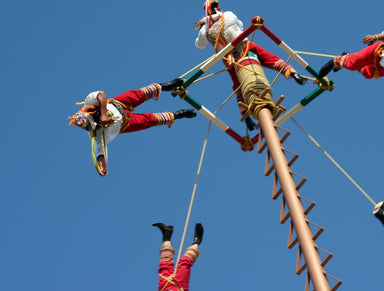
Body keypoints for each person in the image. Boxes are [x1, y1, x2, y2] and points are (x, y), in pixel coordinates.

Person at [194, 0, 306, 129]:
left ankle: (245, 114)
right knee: (269, 58)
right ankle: (293, 74)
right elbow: (239, 25)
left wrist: (204, 24)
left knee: (238, 84)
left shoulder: (206, 30)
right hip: (242, 47)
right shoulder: (228, 15)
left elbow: (199, 45)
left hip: (229, 57)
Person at [69, 79, 197, 176]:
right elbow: (100, 151)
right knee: (149, 120)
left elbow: (101, 94)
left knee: (138, 94)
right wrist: (101, 166)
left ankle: (165, 86)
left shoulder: (88, 103)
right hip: (125, 124)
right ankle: (177, 115)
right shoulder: (96, 133)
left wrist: (102, 114)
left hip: (119, 104)